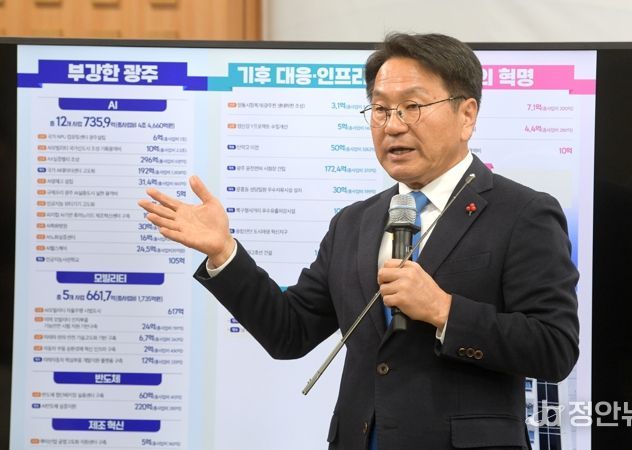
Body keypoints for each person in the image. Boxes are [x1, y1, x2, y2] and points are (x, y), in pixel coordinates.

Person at [139, 33, 579, 450]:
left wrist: (445, 311)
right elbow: (289, 332)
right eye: (381, 109)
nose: (393, 126)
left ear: (467, 115)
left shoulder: (522, 212)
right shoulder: (354, 222)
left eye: (412, 107)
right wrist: (224, 252)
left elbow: (554, 348)